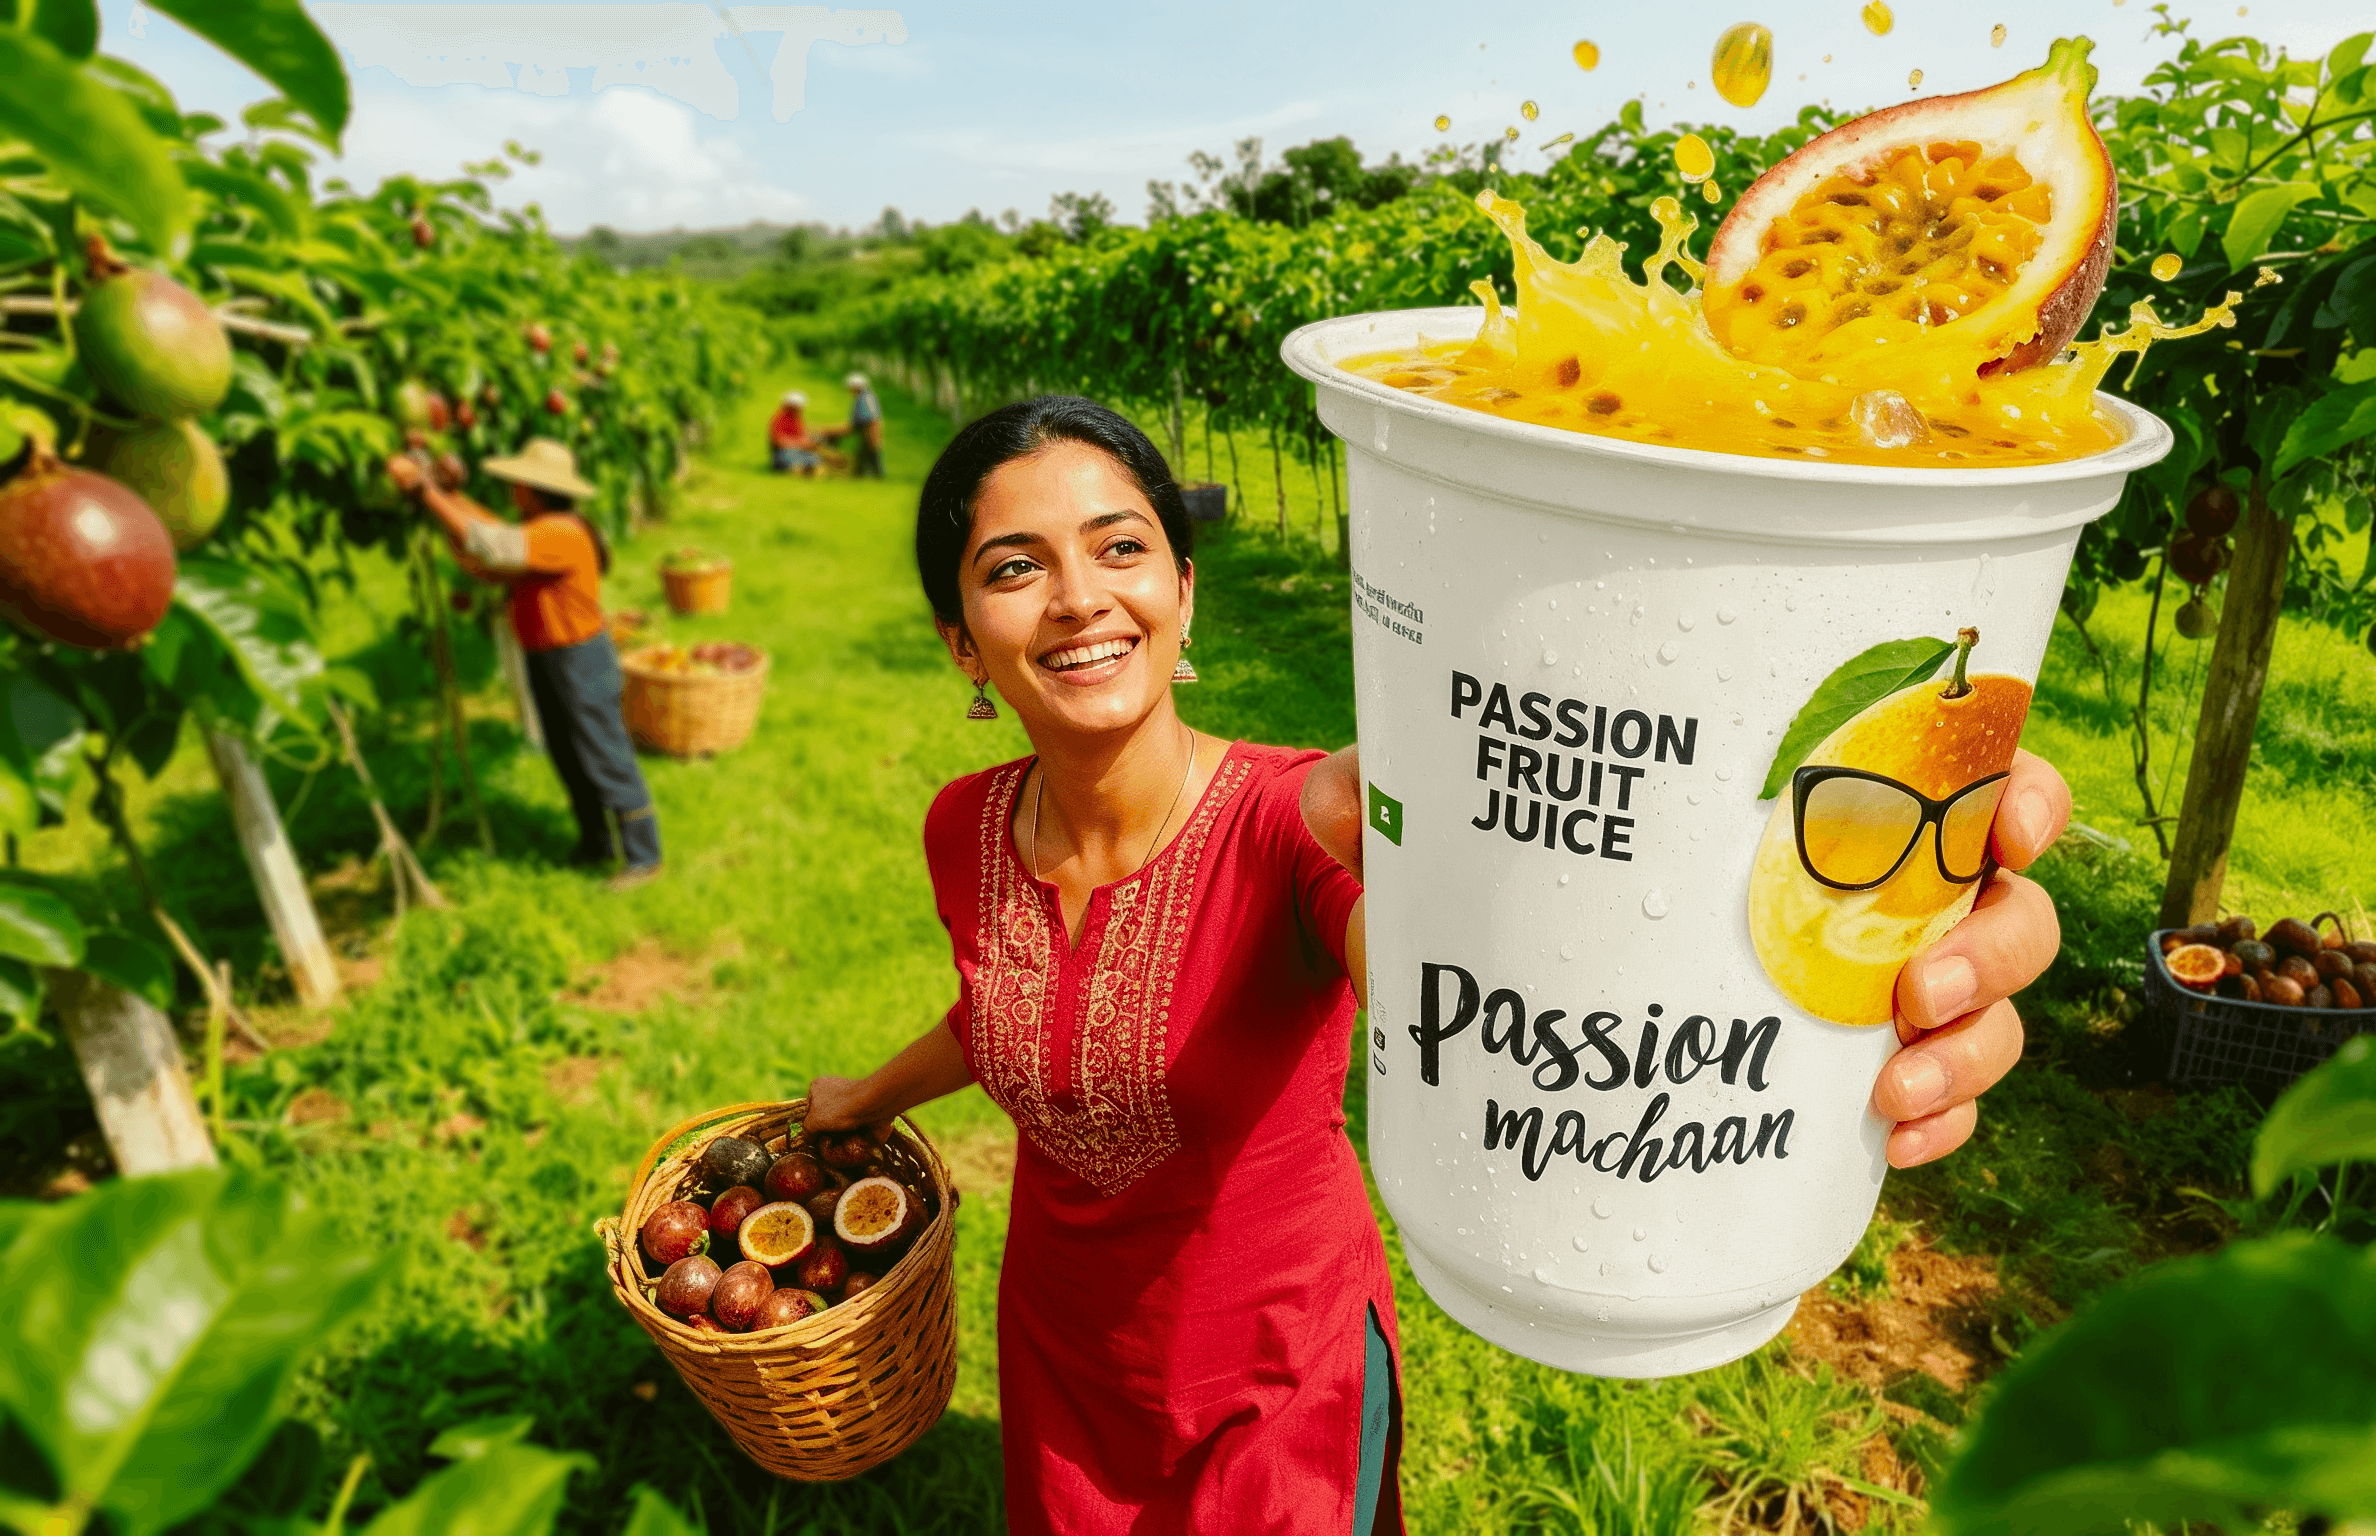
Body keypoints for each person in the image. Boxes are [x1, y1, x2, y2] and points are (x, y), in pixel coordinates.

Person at [804, 396, 2068, 1532]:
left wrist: (1804, 909)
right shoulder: (962, 827)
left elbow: (1469, 971)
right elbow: (1014, 1014)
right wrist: (868, 1097)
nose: (1079, 596)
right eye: (1015, 568)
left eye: (1120, 546)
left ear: (1183, 593)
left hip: (1271, 1372)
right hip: (1065, 1348)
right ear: (964, 642)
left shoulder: (1294, 824)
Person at [387, 438, 664, 892]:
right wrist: (447, 495)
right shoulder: (541, 529)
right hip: (551, 657)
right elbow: (489, 540)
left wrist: (427, 493)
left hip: (579, 658)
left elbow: (489, 544)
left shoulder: (560, 532)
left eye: (519, 481)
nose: (512, 487)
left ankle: (644, 856)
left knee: (602, 752)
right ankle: (597, 843)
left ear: (534, 489)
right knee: (568, 752)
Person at [822, 370, 884, 478]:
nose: (849, 389)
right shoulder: (863, 396)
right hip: (866, 427)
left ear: (856, 387)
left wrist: (848, 428)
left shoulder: (865, 398)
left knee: (870, 451)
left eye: (850, 387)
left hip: (868, 428)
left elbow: (866, 418)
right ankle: (861, 474)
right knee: (865, 452)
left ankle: (873, 474)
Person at [768, 389, 821, 475]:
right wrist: (801, 443)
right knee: (794, 461)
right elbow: (780, 441)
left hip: (800, 450)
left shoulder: (798, 419)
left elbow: (803, 435)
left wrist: (809, 442)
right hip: (784, 452)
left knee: (815, 460)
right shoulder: (779, 419)